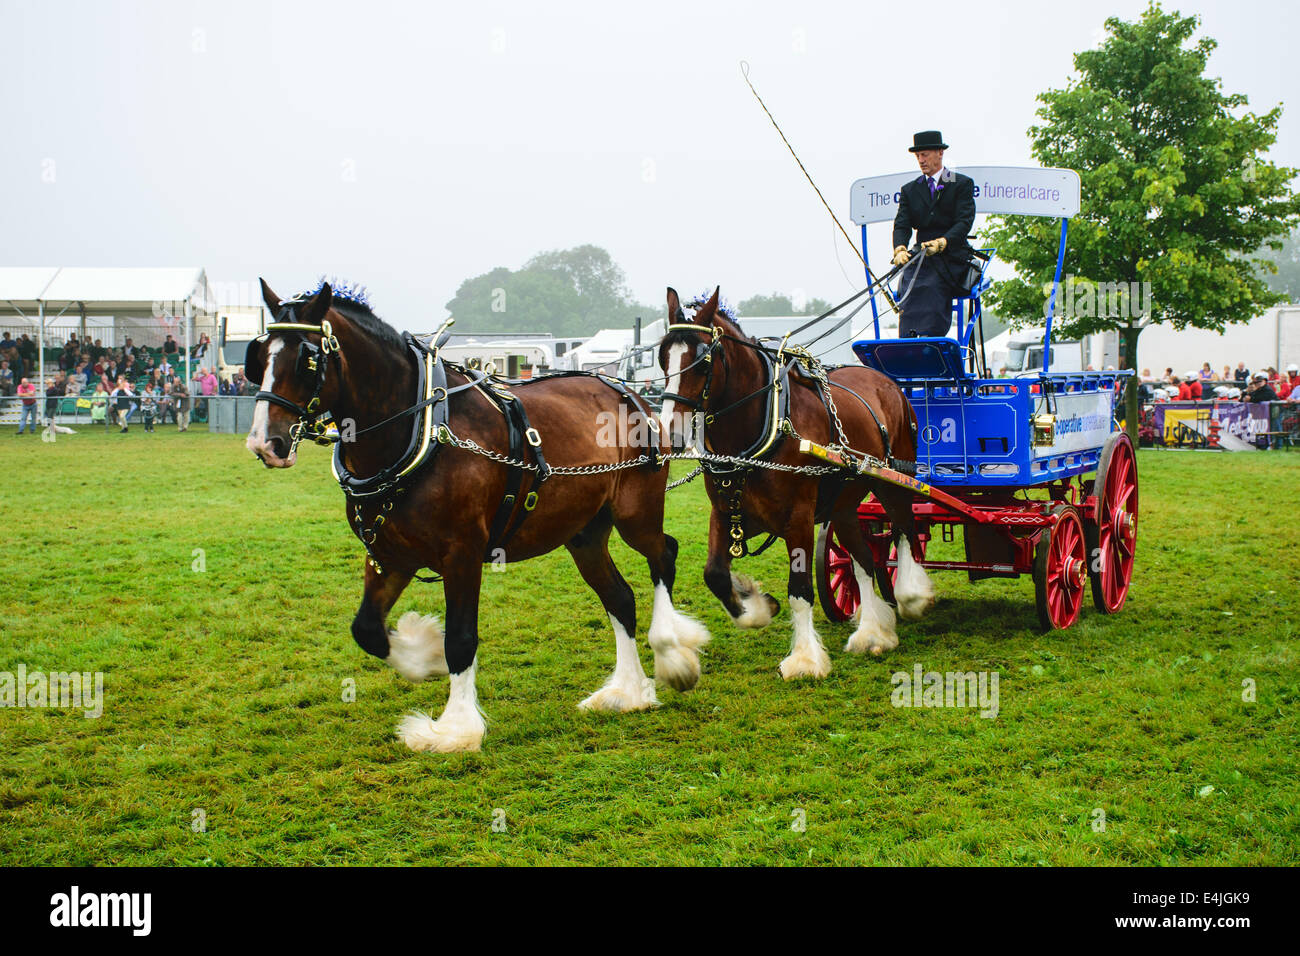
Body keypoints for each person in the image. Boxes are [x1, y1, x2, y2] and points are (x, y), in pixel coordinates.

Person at [889, 130, 977, 338]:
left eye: (925, 155)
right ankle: (908, 340)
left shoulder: (961, 183)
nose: (921, 160)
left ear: (940, 153)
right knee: (909, 283)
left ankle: (930, 339)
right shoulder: (910, 190)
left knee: (932, 284)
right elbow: (902, 224)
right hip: (921, 256)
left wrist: (943, 242)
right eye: (918, 156)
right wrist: (899, 248)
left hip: (951, 255)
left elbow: (964, 222)